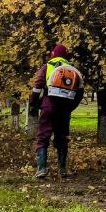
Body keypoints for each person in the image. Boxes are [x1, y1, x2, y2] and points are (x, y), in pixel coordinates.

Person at [29, 44, 84, 178]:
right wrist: (71, 107)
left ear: (53, 54)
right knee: (63, 137)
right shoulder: (73, 70)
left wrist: (33, 104)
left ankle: (41, 169)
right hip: (64, 109)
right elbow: (80, 92)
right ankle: (62, 169)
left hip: (48, 107)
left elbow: (37, 88)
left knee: (43, 137)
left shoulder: (47, 67)